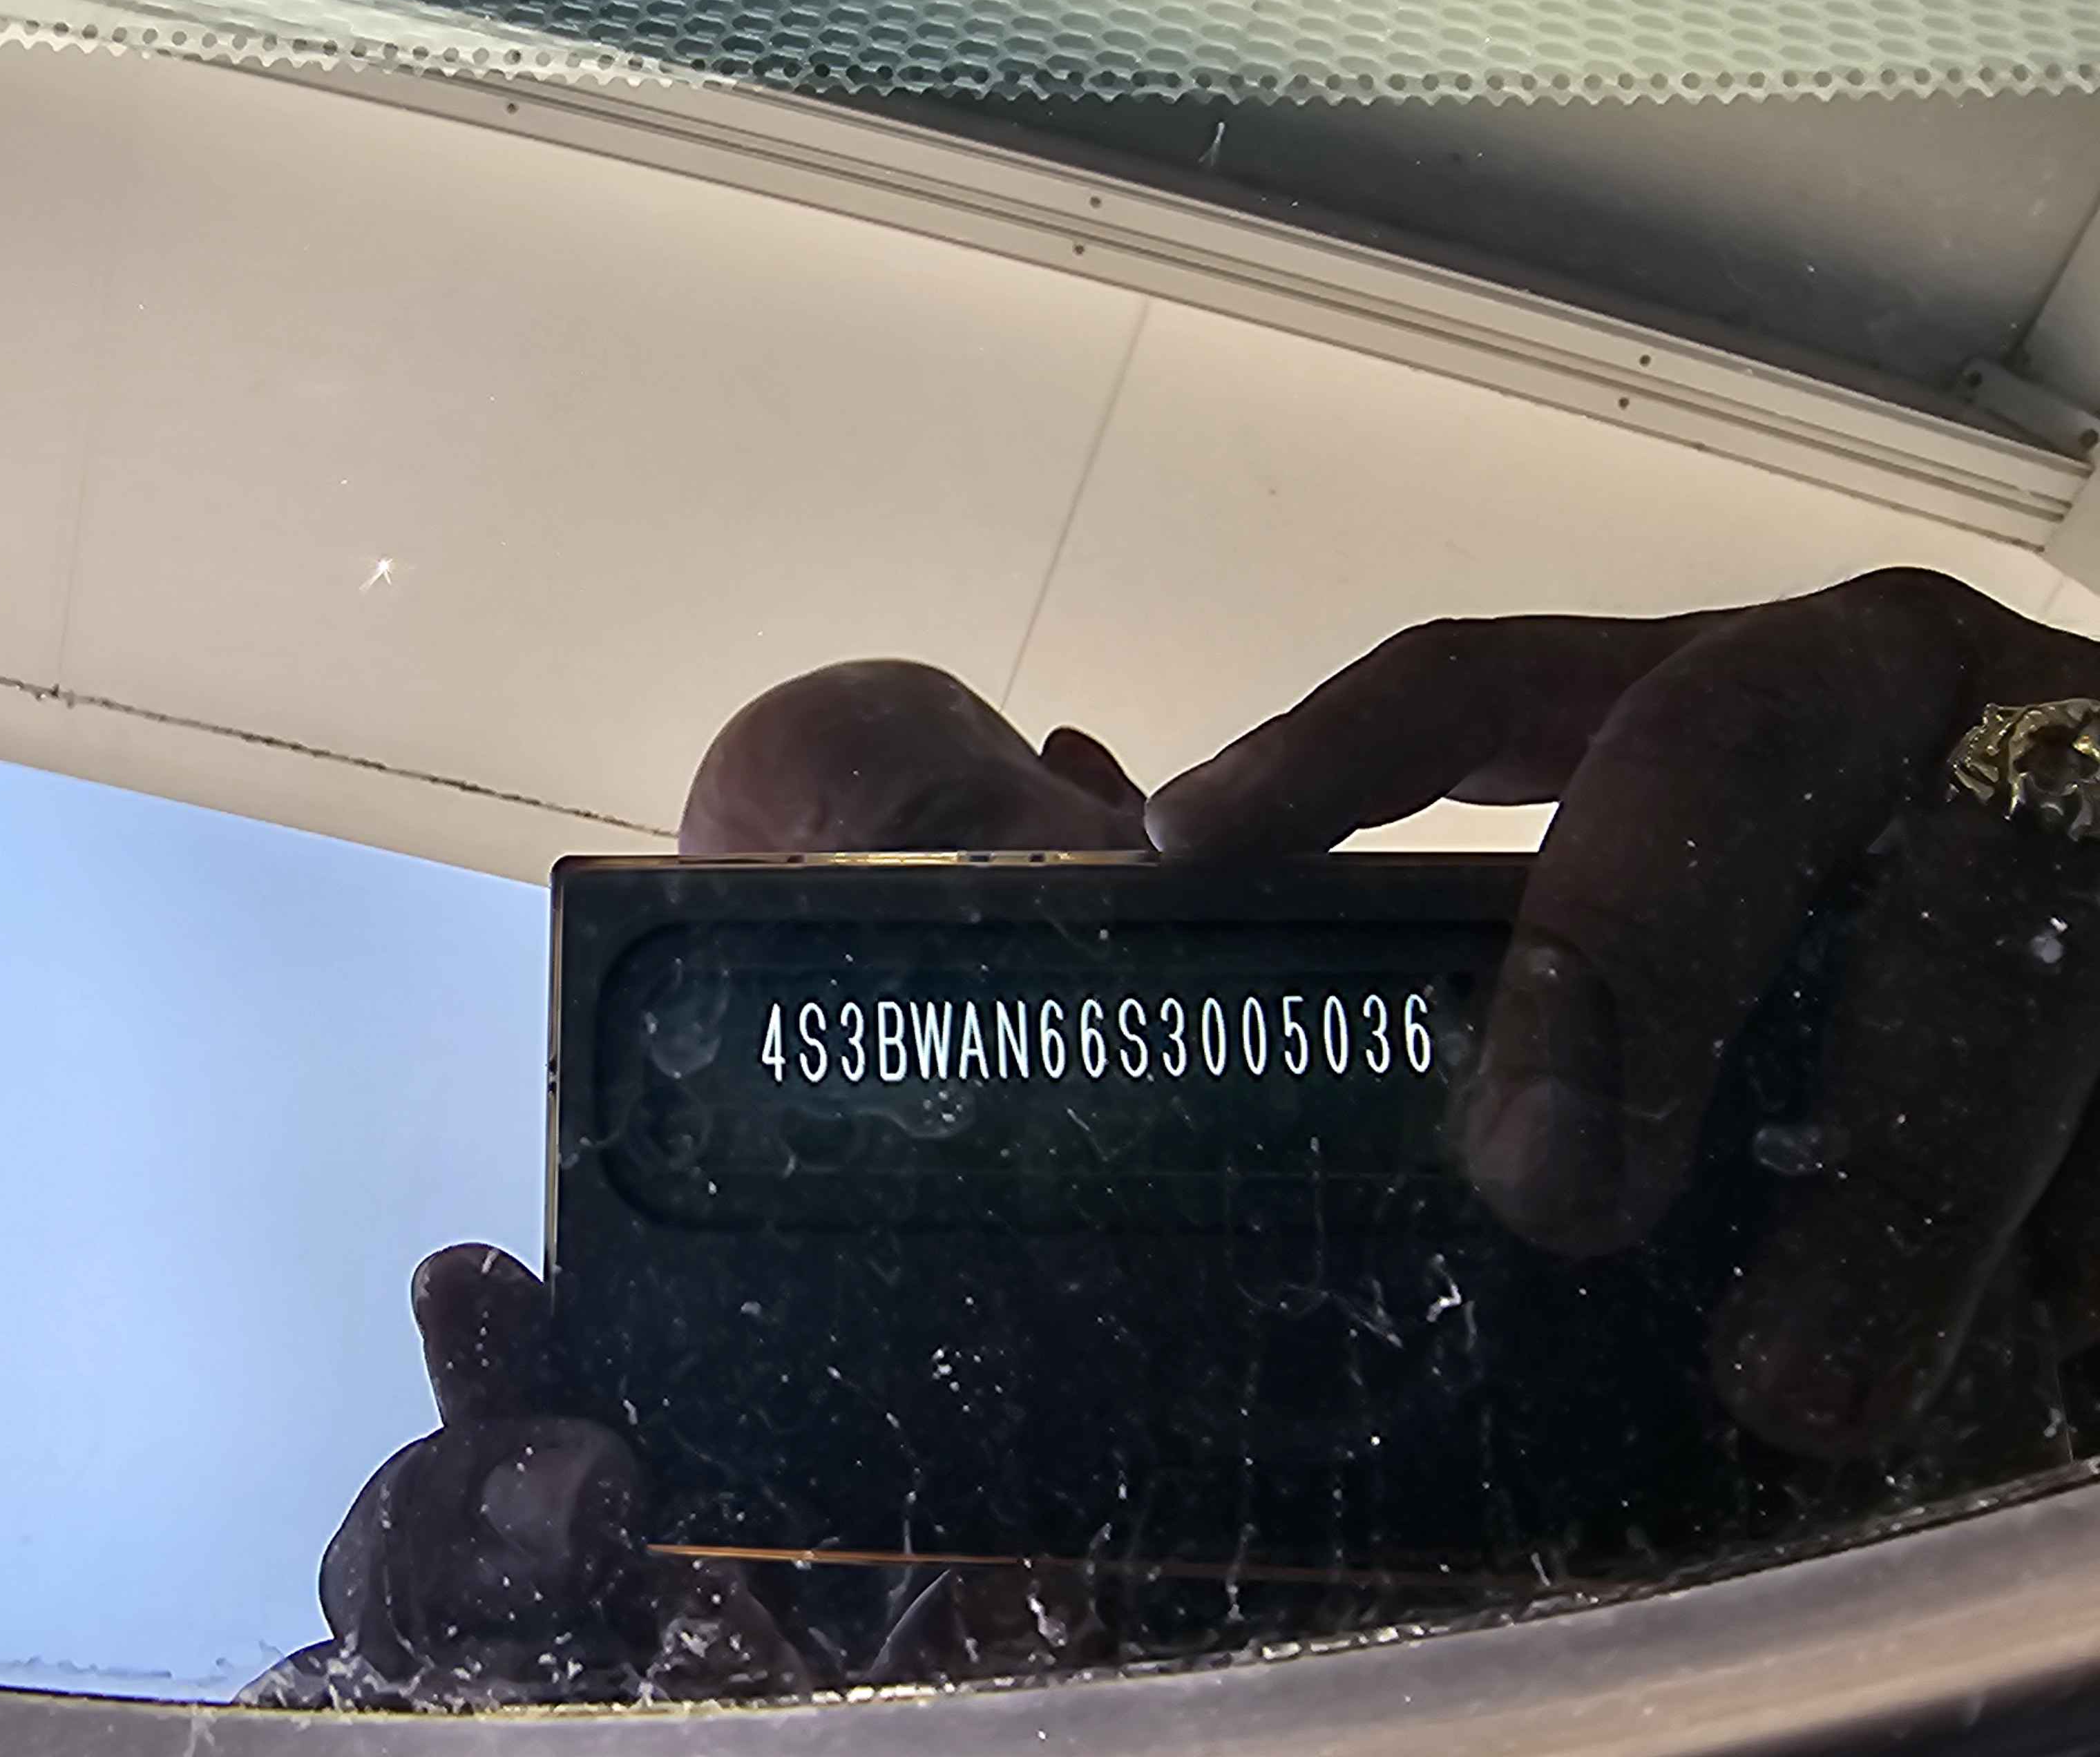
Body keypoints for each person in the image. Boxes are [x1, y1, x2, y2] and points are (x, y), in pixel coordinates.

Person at [260, 566, 2100, 1706]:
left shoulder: (1685, 1043)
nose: (904, 1019)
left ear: (1099, 787)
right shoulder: (793, 1606)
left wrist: (2049, 772)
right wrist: (453, 1693)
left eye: (928, 870)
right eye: (780, 1020)